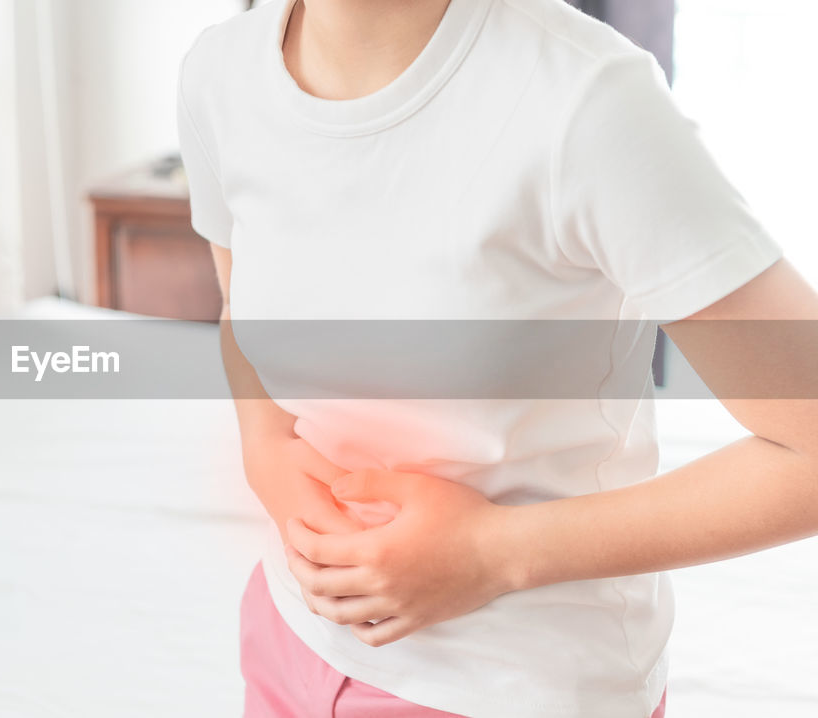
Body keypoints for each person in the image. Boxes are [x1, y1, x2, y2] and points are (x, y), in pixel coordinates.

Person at [175, 0, 818, 716]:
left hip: (510, 687)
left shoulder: (586, 102)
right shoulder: (219, 74)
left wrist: (495, 551)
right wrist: (265, 453)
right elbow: (243, 312)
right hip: (287, 634)